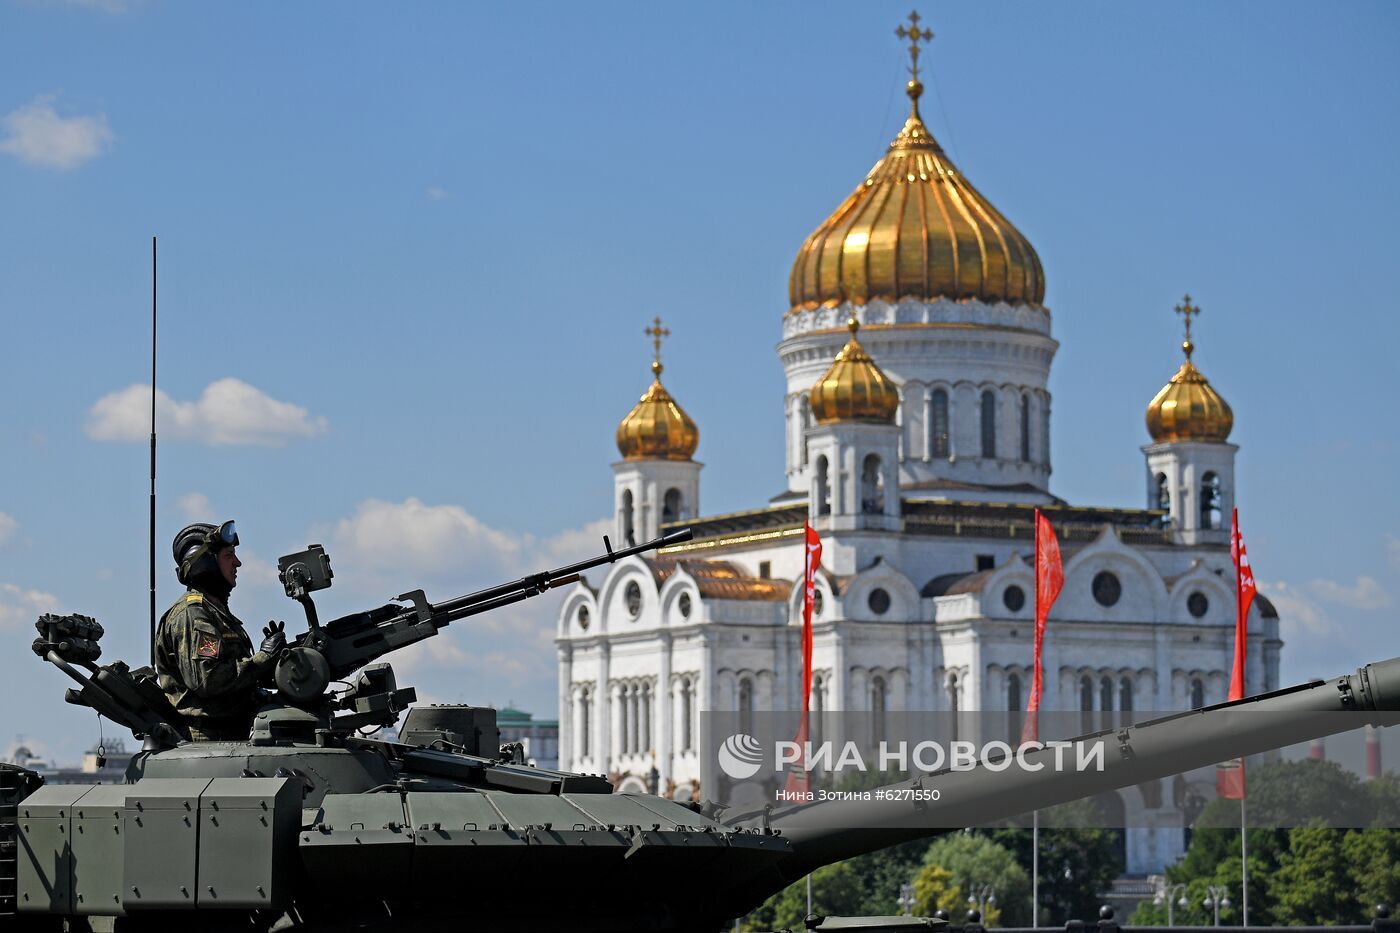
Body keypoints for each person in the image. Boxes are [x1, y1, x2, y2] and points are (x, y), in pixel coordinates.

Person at [155, 520, 286, 740]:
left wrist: (273, 662)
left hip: (228, 734)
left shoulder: (215, 612)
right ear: (205, 564)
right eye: (228, 556)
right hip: (205, 739)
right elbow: (208, 679)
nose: (238, 563)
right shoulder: (193, 614)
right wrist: (262, 659)